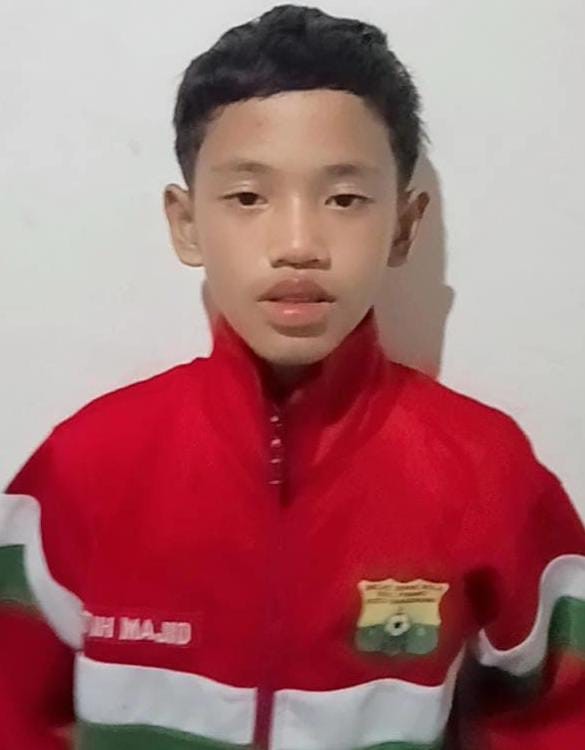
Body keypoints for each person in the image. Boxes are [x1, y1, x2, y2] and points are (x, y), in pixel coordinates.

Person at [1, 4, 584, 749]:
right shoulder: (86, 467)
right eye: (248, 197)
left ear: (403, 226)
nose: (299, 243)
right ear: (186, 222)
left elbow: (562, 717)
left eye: (345, 199)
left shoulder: (484, 472)